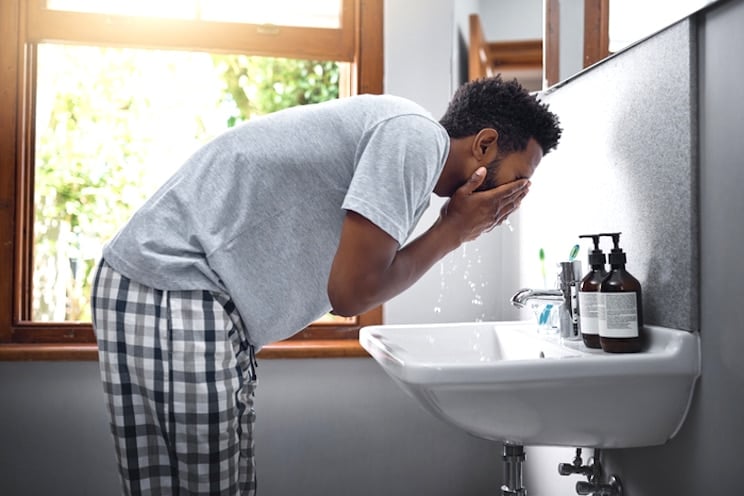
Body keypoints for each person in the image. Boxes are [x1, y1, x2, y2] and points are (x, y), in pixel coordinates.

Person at [91, 74, 562, 495]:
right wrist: (453, 231)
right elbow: (351, 294)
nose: (514, 199)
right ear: (483, 145)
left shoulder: (410, 148)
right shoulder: (414, 139)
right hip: (171, 284)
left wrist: (449, 227)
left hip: (183, 294)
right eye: (518, 180)